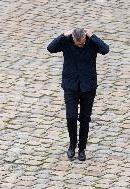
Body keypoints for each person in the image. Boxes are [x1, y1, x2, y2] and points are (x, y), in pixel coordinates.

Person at [47, 28, 109, 161]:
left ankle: (82, 148)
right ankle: (72, 145)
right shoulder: (66, 42)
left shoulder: (92, 43)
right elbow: (50, 48)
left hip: (88, 87)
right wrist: (63, 35)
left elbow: (105, 50)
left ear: (85, 38)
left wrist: (92, 36)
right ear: (74, 39)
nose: (80, 45)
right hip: (71, 86)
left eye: (82, 43)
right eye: (78, 43)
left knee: (85, 119)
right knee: (71, 117)